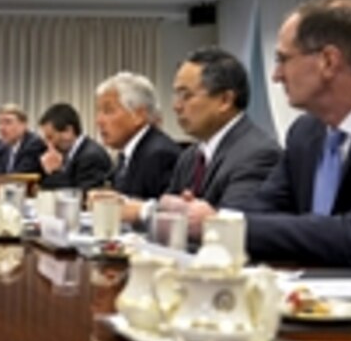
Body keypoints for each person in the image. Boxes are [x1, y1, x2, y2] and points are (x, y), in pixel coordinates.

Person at [180, 0, 351, 267]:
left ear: (329, 61)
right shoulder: (304, 133)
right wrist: (212, 219)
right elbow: (261, 208)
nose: (276, 75)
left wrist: (220, 225)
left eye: (283, 59)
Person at [95, 47, 281, 224]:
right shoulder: (190, 157)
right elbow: (167, 213)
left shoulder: (258, 154)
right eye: (176, 95)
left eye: (186, 95)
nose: (176, 106)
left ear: (225, 100)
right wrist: (126, 204)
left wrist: (144, 211)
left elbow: (232, 230)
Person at [95, 71, 181, 199]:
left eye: (108, 111)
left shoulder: (159, 155)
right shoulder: (127, 154)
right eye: (99, 112)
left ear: (138, 116)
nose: (99, 121)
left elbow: (166, 213)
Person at [38, 103, 112, 191]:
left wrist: (55, 172)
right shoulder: (68, 153)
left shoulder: (91, 156)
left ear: (68, 131)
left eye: (50, 137)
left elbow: (81, 196)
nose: (48, 144)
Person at [0, 103, 46, 175]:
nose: (1, 128)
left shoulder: (34, 144)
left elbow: (20, 176)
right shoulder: (3, 148)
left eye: (8, 122)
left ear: (23, 125)